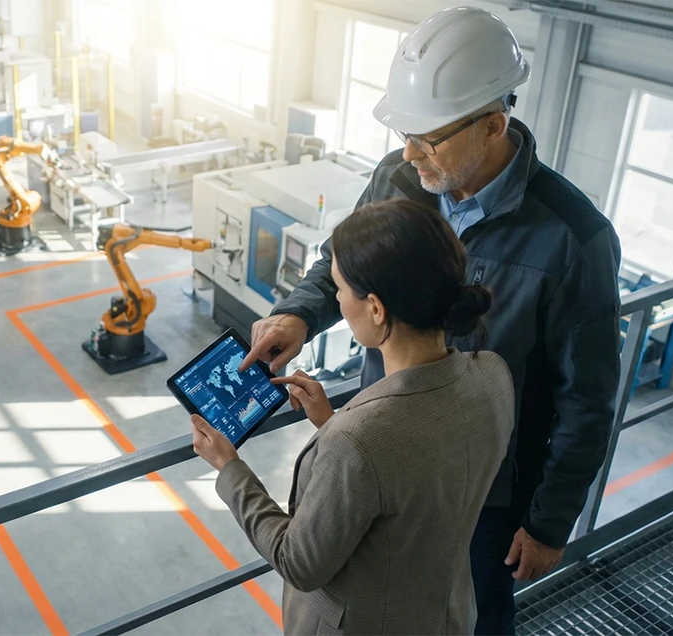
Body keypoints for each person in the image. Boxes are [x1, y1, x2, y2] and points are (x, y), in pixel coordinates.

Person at [240, 7, 622, 635]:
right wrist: (299, 314)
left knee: (476, 617)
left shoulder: (573, 241)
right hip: (385, 459)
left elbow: (588, 399)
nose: (408, 152)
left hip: (485, 491)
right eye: (405, 133)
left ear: (494, 124)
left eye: (428, 138)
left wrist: (550, 522)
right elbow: (345, 258)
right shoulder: (398, 177)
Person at [192, 199, 514, 635]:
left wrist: (229, 469)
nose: (338, 300)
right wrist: (333, 421)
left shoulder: (358, 441)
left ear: (376, 308)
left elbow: (298, 563)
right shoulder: (493, 375)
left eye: (340, 288)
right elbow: (415, 472)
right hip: (446, 614)